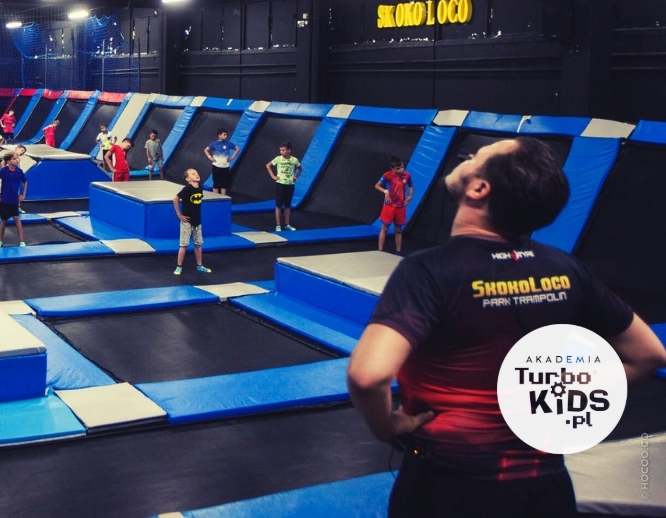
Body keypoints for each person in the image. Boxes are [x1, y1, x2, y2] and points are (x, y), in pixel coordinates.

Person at [346, 137, 666, 518]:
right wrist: (552, 401)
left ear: (479, 188)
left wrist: (387, 426)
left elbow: (368, 376)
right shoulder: (566, 270)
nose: (468, 156)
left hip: (449, 486)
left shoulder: (427, 271)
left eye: (476, 156)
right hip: (546, 489)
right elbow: (648, 355)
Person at [173, 168, 211, 276]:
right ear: (188, 179)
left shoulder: (200, 188)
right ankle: (179, 266)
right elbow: (175, 199)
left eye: (197, 173)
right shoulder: (187, 189)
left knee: (198, 244)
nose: (196, 175)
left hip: (197, 220)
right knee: (184, 244)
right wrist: (179, 214)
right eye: (193, 174)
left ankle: (199, 265)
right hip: (187, 221)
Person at [376, 156, 413, 254]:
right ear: (392, 169)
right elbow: (377, 185)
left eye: (402, 167)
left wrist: (410, 196)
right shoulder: (387, 175)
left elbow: (410, 186)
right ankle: (380, 251)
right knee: (384, 229)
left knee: (398, 230)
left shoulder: (407, 175)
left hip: (400, 207)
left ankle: (398, 252)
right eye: (397, 169)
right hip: (389, 206)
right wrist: (385, 191)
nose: (401, 170)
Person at [0, 152, 27, 248]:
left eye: (17, 158)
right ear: (8, 162)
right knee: (3, 220)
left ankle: (22, 241)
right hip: (4, 199)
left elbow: (25, 181)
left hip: (14, 200)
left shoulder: (19, 171)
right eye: (14, 159)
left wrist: (23, 194)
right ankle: (0, 240)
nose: (17, 160)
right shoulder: (4, 171)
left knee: (16, 218)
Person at [266, 141, 302, 232]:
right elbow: (268, 165)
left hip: (290, 185)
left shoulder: (294, 160)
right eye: (280, 150)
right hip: (280, 184)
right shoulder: (278, 159)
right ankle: (278, 225)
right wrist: (273, 176)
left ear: (289, 150)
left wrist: (296, 177)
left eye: (283, 150)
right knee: (278, 205)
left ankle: (287, 224)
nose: (281, 152)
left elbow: (300, 169)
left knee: (287, 205)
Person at [204, 128, 239, 195]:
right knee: (216, 183)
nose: (226, 136)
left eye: (226, 135)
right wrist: (210, 157)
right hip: (216, 166)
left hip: (225, 167)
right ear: (219, 135)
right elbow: (206, 150)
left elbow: (237, 149)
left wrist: (232, 157)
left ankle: (223, 197)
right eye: (224, 135)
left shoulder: (228, 143)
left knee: (224, 184)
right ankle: (214, 198)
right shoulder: (214, 144)